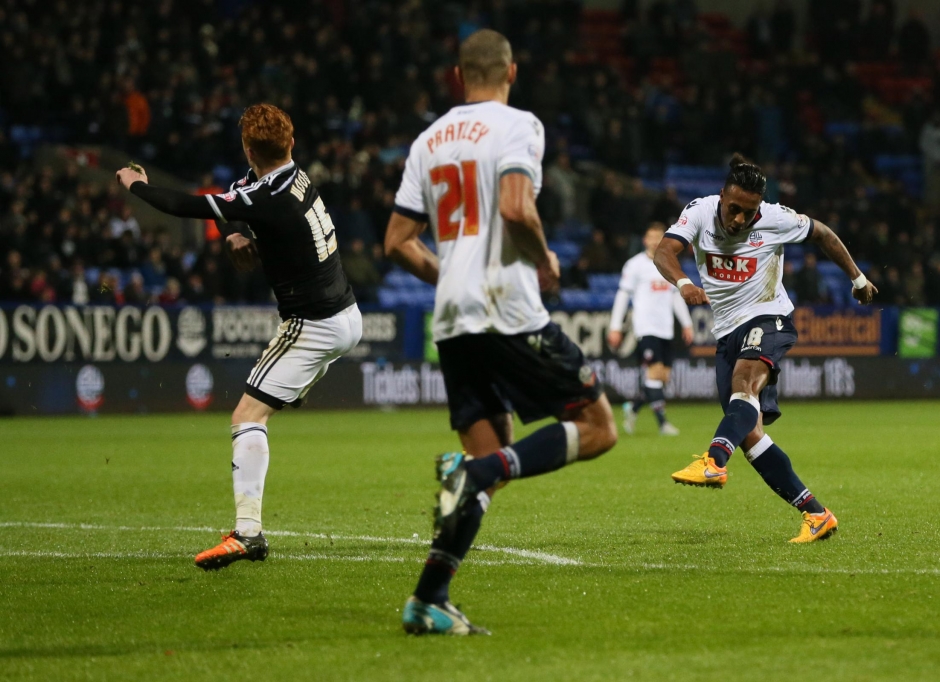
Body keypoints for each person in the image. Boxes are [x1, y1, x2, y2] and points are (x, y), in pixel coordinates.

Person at [385, 29, 618, 635]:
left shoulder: (427, 140)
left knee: (485, 454)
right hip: (506, 307)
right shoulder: (519, 126)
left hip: (454, 317)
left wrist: (449, 275)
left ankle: (428, 600)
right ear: (510, 74)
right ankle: (480, 473)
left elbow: (396, 242)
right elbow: (517, 208)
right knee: (598, 427)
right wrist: (543, 258)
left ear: (458, 78)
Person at [115, 103, 362, 570]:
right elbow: (238, 199)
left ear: (248, 148)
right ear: (290, 144)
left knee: (247, 415)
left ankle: (248, 534)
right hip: (347, 312)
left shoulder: (266, 199)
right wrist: (234, 235)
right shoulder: (294, 179)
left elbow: (191, 205)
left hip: (314, 323)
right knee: (268, 400)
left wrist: (138, 186)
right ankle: (294, 391)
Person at [653, 155, 877, 543]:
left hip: (768, 317)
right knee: (750, 433)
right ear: (721, 196)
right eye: (734, 208)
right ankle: (816, 514)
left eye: (749, 212)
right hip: (727, 332)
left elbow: (823, 233)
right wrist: (683, 284)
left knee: (744, 384)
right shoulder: (700, 212)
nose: (740, 219)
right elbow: (664, 251)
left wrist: (857, 278)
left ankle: (713, 460)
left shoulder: (776, 218)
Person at [607, 222, 694, 436]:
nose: (655, 241)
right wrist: (615, 326)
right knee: (654, 374)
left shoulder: (669, 264)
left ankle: (633, 407)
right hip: (646, 327)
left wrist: (687, 323)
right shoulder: (634, 265)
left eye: (659, 237)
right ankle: (663, 424)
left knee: (661, 377)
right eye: (651, 237)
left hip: (665, 328)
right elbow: (622, 295)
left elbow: (676, 296)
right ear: (645, 240)